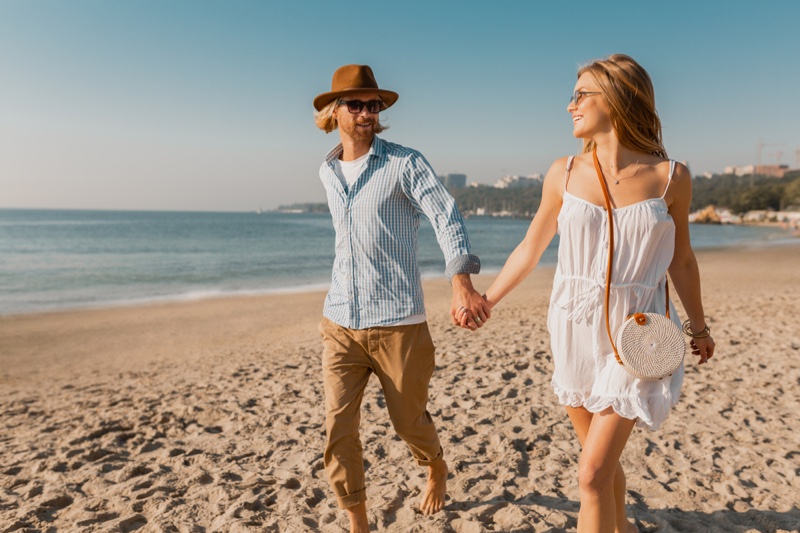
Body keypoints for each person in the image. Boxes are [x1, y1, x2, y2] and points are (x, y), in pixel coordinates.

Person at [460, 54, 716, 532]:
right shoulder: (564, 171)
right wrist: (488, 299)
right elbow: (531, 247)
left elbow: (682, 260)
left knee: (592, 476)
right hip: (573, 328)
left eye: (581, 95)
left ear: (616, 99)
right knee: (605, 470)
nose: (570, 105)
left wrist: (697, 327)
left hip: (639, 336)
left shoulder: (671, 178)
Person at [313, 64, 491, 533]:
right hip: (339, 323)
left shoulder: (404, 163)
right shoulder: (327, 171)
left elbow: (446, 216)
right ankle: (359, 523)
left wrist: (461, 282)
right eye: (357, 104)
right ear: (335, 112)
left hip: (398, 324)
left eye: (374, 105)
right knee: (337, 428)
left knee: (409, 422)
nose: (368, 112)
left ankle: (435, 465)